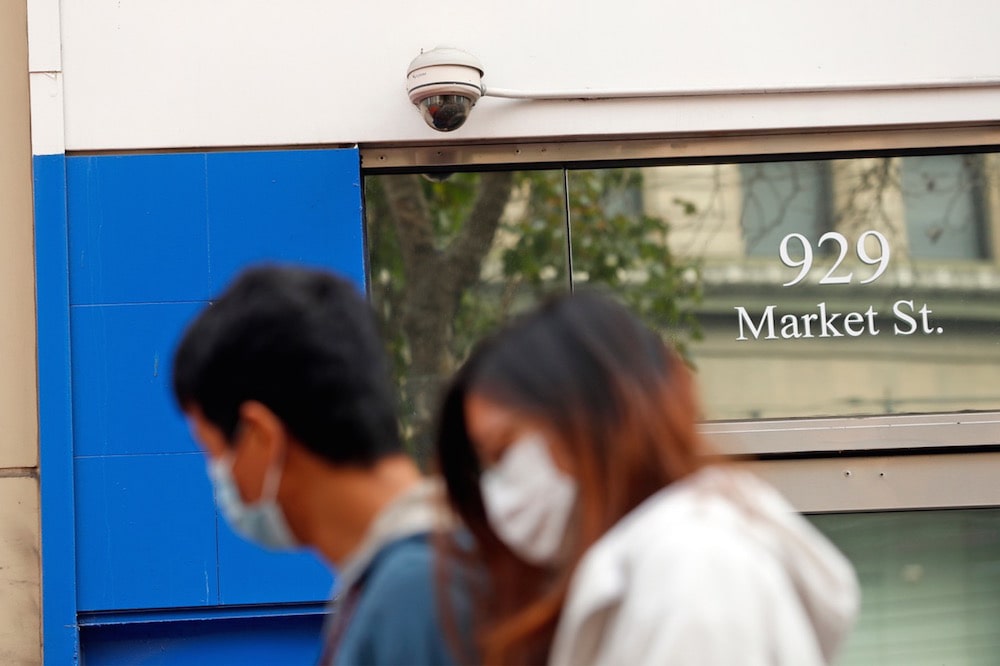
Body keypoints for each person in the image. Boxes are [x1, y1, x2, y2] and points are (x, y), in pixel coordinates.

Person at [434, 290, 860, 665]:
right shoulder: (656, 568)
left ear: (584, 421)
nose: (496, 489)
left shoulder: (693, 570)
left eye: (502, 451)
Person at [172, 264, 462, 665]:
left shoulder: (415, 597)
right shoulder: (414, 575)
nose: (220, 476)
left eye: (213, 452)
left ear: (260, 437)